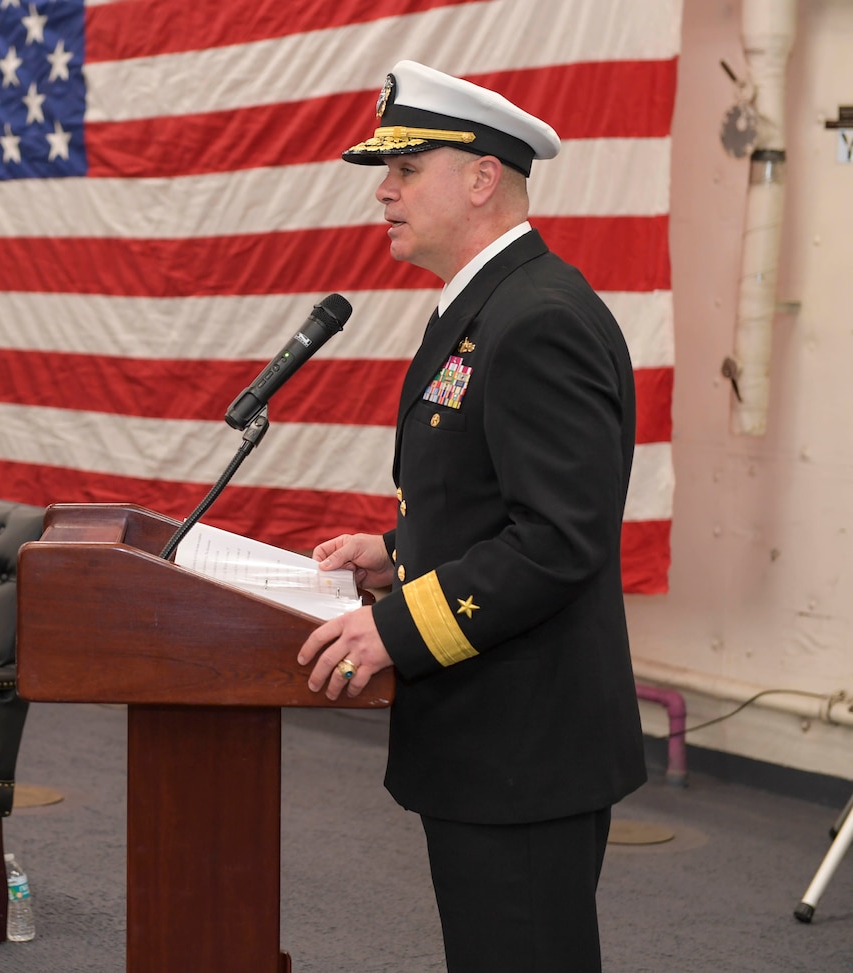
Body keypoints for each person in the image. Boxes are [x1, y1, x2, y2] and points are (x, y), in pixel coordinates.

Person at [295, 61, 646, 972]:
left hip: (525, 742)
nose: (384, 191)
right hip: (492, 729)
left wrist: (394, 628)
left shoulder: (538, 320)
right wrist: (397, 549)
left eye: (407, 170)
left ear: (482, 177)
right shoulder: (485, 306)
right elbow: (500, 500)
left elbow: (560, 540)